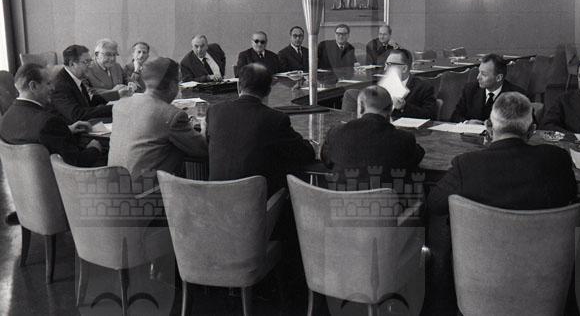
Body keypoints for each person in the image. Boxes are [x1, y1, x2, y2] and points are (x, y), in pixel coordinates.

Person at [426, 92, 578, 315]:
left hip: (480, 284)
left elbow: (434, 204)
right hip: (544, 283)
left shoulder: (467, 165)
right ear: (532, 130)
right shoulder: (558, 159)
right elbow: (571, 195)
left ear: (489, 127)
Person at [206, 63, 315, 195]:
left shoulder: (214, 111)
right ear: (268, 91)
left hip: (214, 200)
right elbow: (305, 154)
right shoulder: (275, 119)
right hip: (256, 203)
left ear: (238, 86)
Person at [108, 57, 208, 182]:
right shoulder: (172, 115)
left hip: (111, 187)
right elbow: (203, 149)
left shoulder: (120, 105)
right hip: (148, 191)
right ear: (172, 85)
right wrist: (204, 126)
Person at [321, 85, 424, 193]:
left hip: (341, 202)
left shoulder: (336, 133)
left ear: (361, 108)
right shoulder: (404, 139)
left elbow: (327, 161)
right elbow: (417, 156)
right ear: (390, 110)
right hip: (388, 203)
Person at [0, 63, 103, 168]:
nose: (53, 88)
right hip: (60, 178)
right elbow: (76, 163)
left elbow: (32, 134)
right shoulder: (49, 122)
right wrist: (94, 148)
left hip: (20, 177)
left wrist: (67, 129)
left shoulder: (5, 119)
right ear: (33, 86)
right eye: (48, 83)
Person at [450, 53, 527, 123]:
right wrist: (467, 122)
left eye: (484, 74)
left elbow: (524, 124)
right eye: (479, 72)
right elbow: (455, 116)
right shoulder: (470, 89)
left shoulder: (517, 96)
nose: (478, 77)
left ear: (499, 78)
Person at [51, 44, 113, 123]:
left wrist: (117, 100)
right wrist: (112, 108)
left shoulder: (79, 77)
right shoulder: (60, 85)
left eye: (90, 61)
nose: (90, 66)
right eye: (86, 62)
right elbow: (76, 114)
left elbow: (89, 102)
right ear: (72, 64)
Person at [383, 49, 437, 119]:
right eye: (385, 64)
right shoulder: (382, 86)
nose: (385, 69)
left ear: (404, 69)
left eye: (389, 65)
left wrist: (404, 107)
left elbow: (429, 114)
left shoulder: (423, 87)